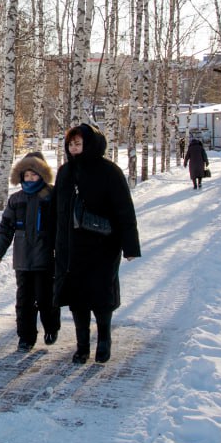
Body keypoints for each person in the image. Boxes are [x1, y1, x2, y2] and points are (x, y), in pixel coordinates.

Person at [53, 123, 141, 364]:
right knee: (77, 299)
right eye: (70, 144)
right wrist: (52, 242)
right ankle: (82, 346)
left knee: (101, 297)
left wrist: (130, 246)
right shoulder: (65, 172)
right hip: (70, 248)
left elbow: (124, 210)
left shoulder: (109, 171)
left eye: (78, 143)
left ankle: (104, 340)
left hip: (102, 247)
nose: (73, 148)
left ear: (90, 144)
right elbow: (56, 210)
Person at [0, 151, 61, 352]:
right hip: (22, 259)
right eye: (27, 175)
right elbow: (6, 227)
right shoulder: (16, 199)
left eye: (34, 175)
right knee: (24, 301)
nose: (30, 179)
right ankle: (25, 337)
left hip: (46, 258)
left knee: (46, 297)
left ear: (42, 174)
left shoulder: (51, 195)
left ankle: (51, 328)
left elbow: (61, 225)